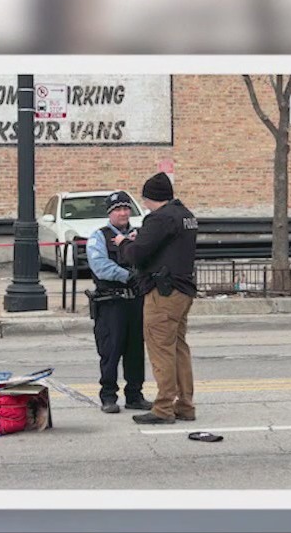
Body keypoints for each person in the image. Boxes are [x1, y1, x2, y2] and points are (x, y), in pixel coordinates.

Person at [115, 173, 199, 424]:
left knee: (160, 349)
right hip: (183, 290)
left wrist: (123, 243)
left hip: (162, 292)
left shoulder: (159, 218)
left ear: (150, 197)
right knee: (178, 348)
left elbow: (137, 254)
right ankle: (185, 404)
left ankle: (163, 408)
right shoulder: (186, 215)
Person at [86, 191, 154, 414]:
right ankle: (108, 396)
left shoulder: (140, 235)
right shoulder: (99, 237)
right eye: (118, 209)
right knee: (110, 350)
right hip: (111, 302)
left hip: (136, 301)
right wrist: (129, 275)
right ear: (110, 213)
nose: (123, 213)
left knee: (135, 350)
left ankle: (135, 395)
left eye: (126, 209)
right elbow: (101, 267)